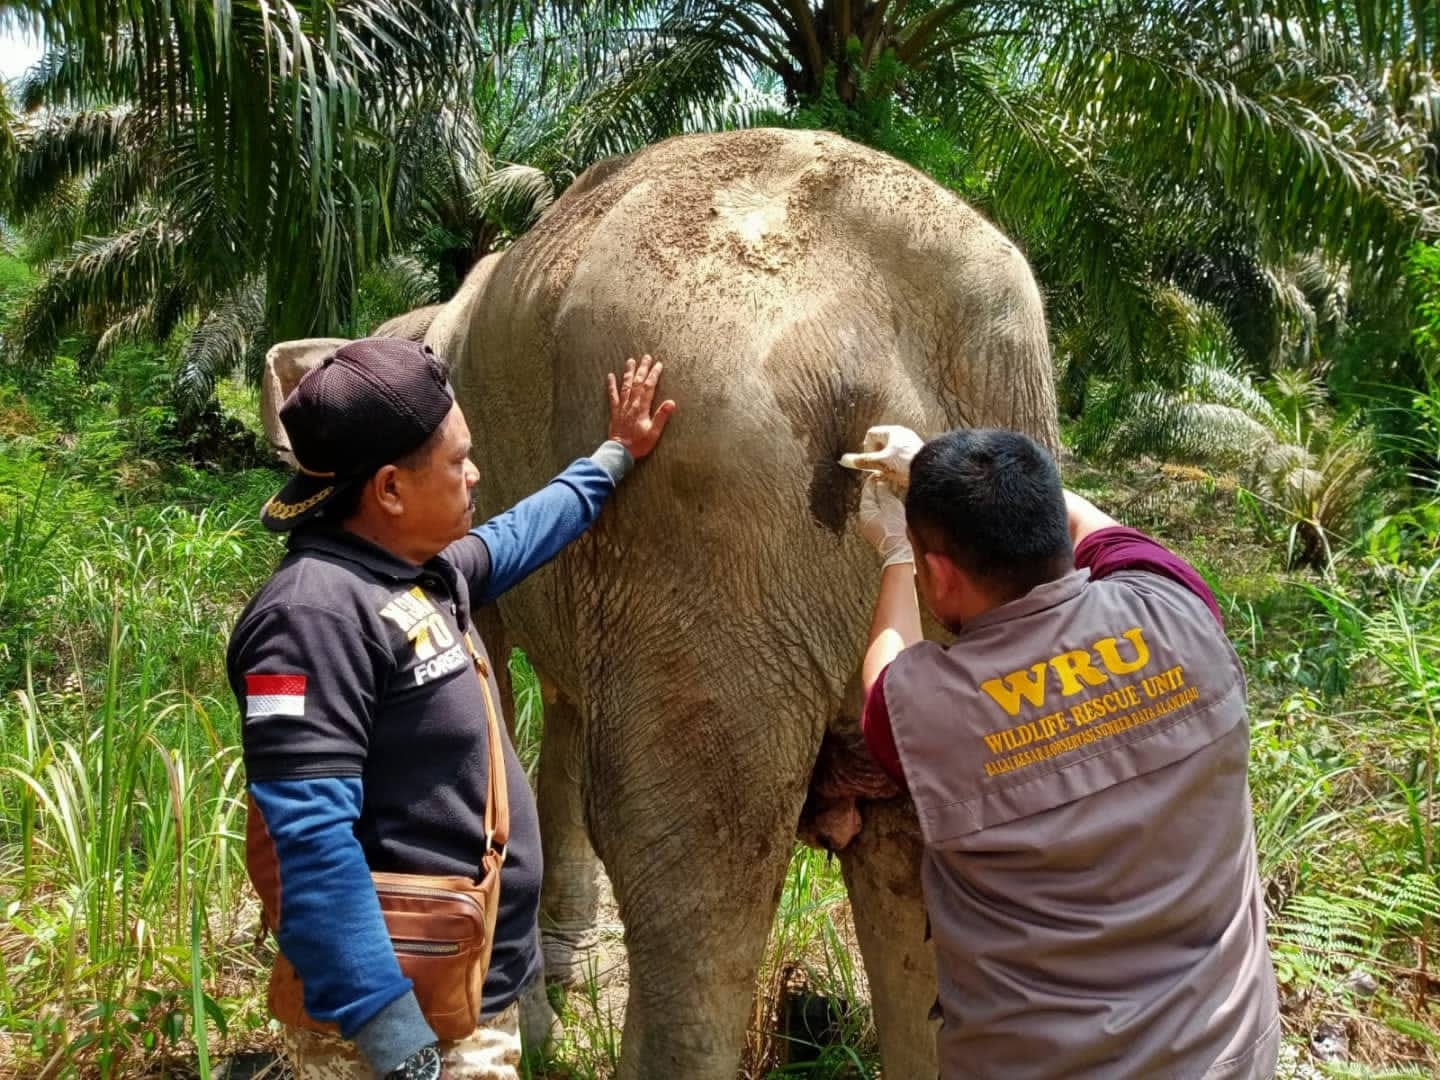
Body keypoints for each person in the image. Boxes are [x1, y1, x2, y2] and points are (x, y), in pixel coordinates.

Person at [227, 339, 674, 1080]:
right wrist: (397, 1043)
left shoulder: (413, 576)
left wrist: (613, 458)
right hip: (400, 1032)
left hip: (459, 997)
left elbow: (515, 537)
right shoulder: (310, 619)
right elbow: (308, 845)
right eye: (456, 459)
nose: (475, 474)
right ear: (391, 490)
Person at [849, 426, 1279, 1079]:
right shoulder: (1178, 606)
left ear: (941, 574)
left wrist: (894, 553)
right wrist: (937, 470)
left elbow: (885, 669)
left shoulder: (926, 711)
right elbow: (1091, 523)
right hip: (1226, 1057)